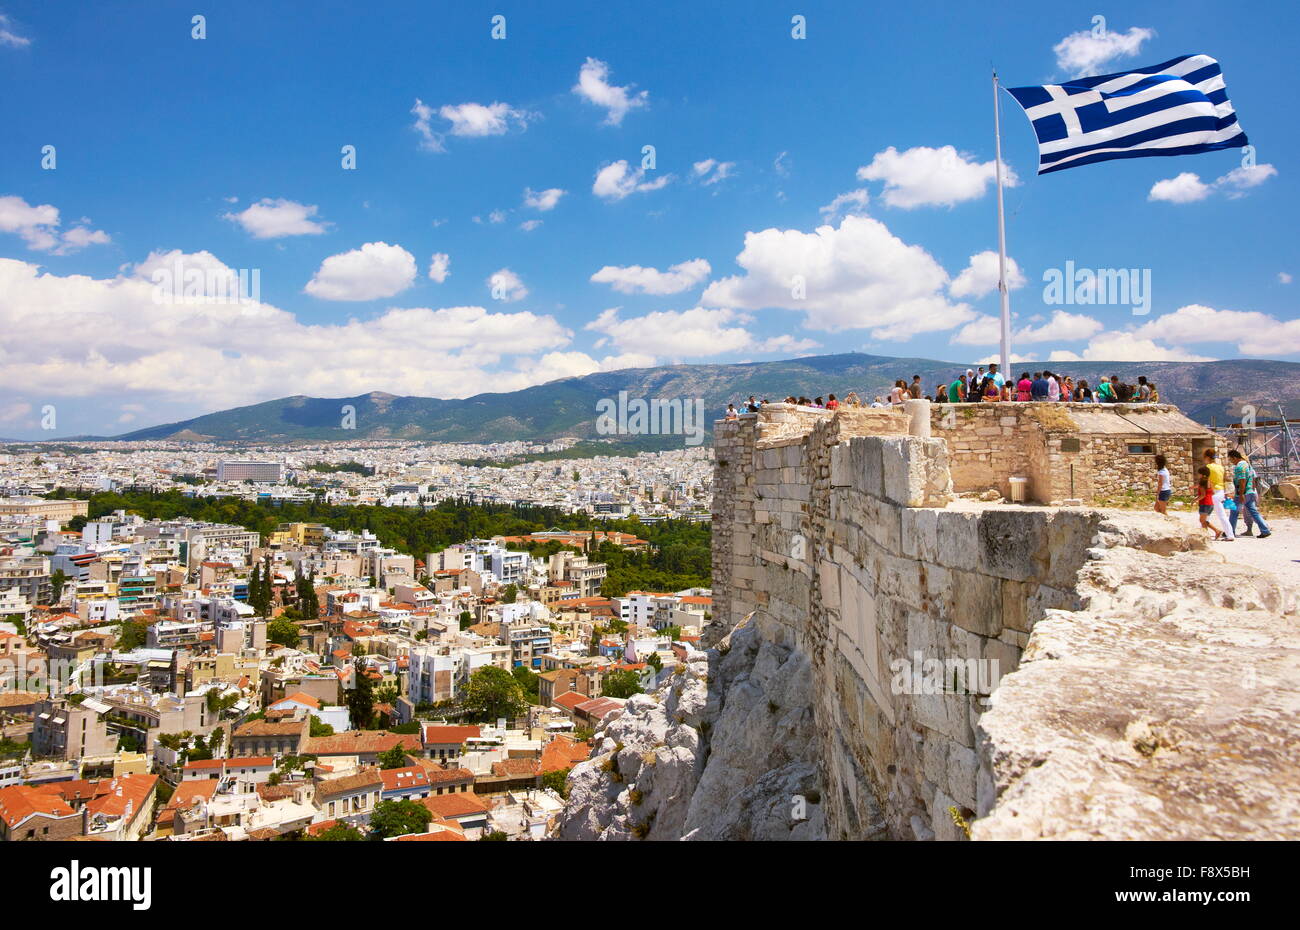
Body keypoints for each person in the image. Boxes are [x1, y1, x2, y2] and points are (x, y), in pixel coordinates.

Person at [1229, 449, 1272, 538]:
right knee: (1253, 512)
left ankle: (1230, 531)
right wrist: (1252, 491)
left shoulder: (1239, 467)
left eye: (1231, 459)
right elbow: (1252, 479)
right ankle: (1265, 530)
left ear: (1234, 458)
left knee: (1234, 512)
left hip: (1242, 493)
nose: (1231, 462)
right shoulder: (1247, 465)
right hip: (1250, 492)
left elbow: (1242, 481)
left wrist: (1241, 494)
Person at [1203, 448, 1234, 541]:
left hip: (1212, 492)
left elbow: (1207, 482)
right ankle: (1230, 535)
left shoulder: (1207, 467)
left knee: (1204, 516)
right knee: (1222, 515)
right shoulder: (1221, 467)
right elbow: (1224, 480)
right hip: (1220, 491)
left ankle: (1205, 535)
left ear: (1207, 457)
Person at [1195, 466, 1224, 540]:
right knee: (1204, 521)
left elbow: (1203, 495)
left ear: (1202, 474)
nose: (1198, 475)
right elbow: (1212, 492)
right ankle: (1206, 536)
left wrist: (1194, 500)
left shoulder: (1202, 482)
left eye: (1199, 474)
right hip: (1210, 503)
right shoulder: (1209, 481)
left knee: (1202, 521)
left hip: (1204, 503)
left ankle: (1216, 531)